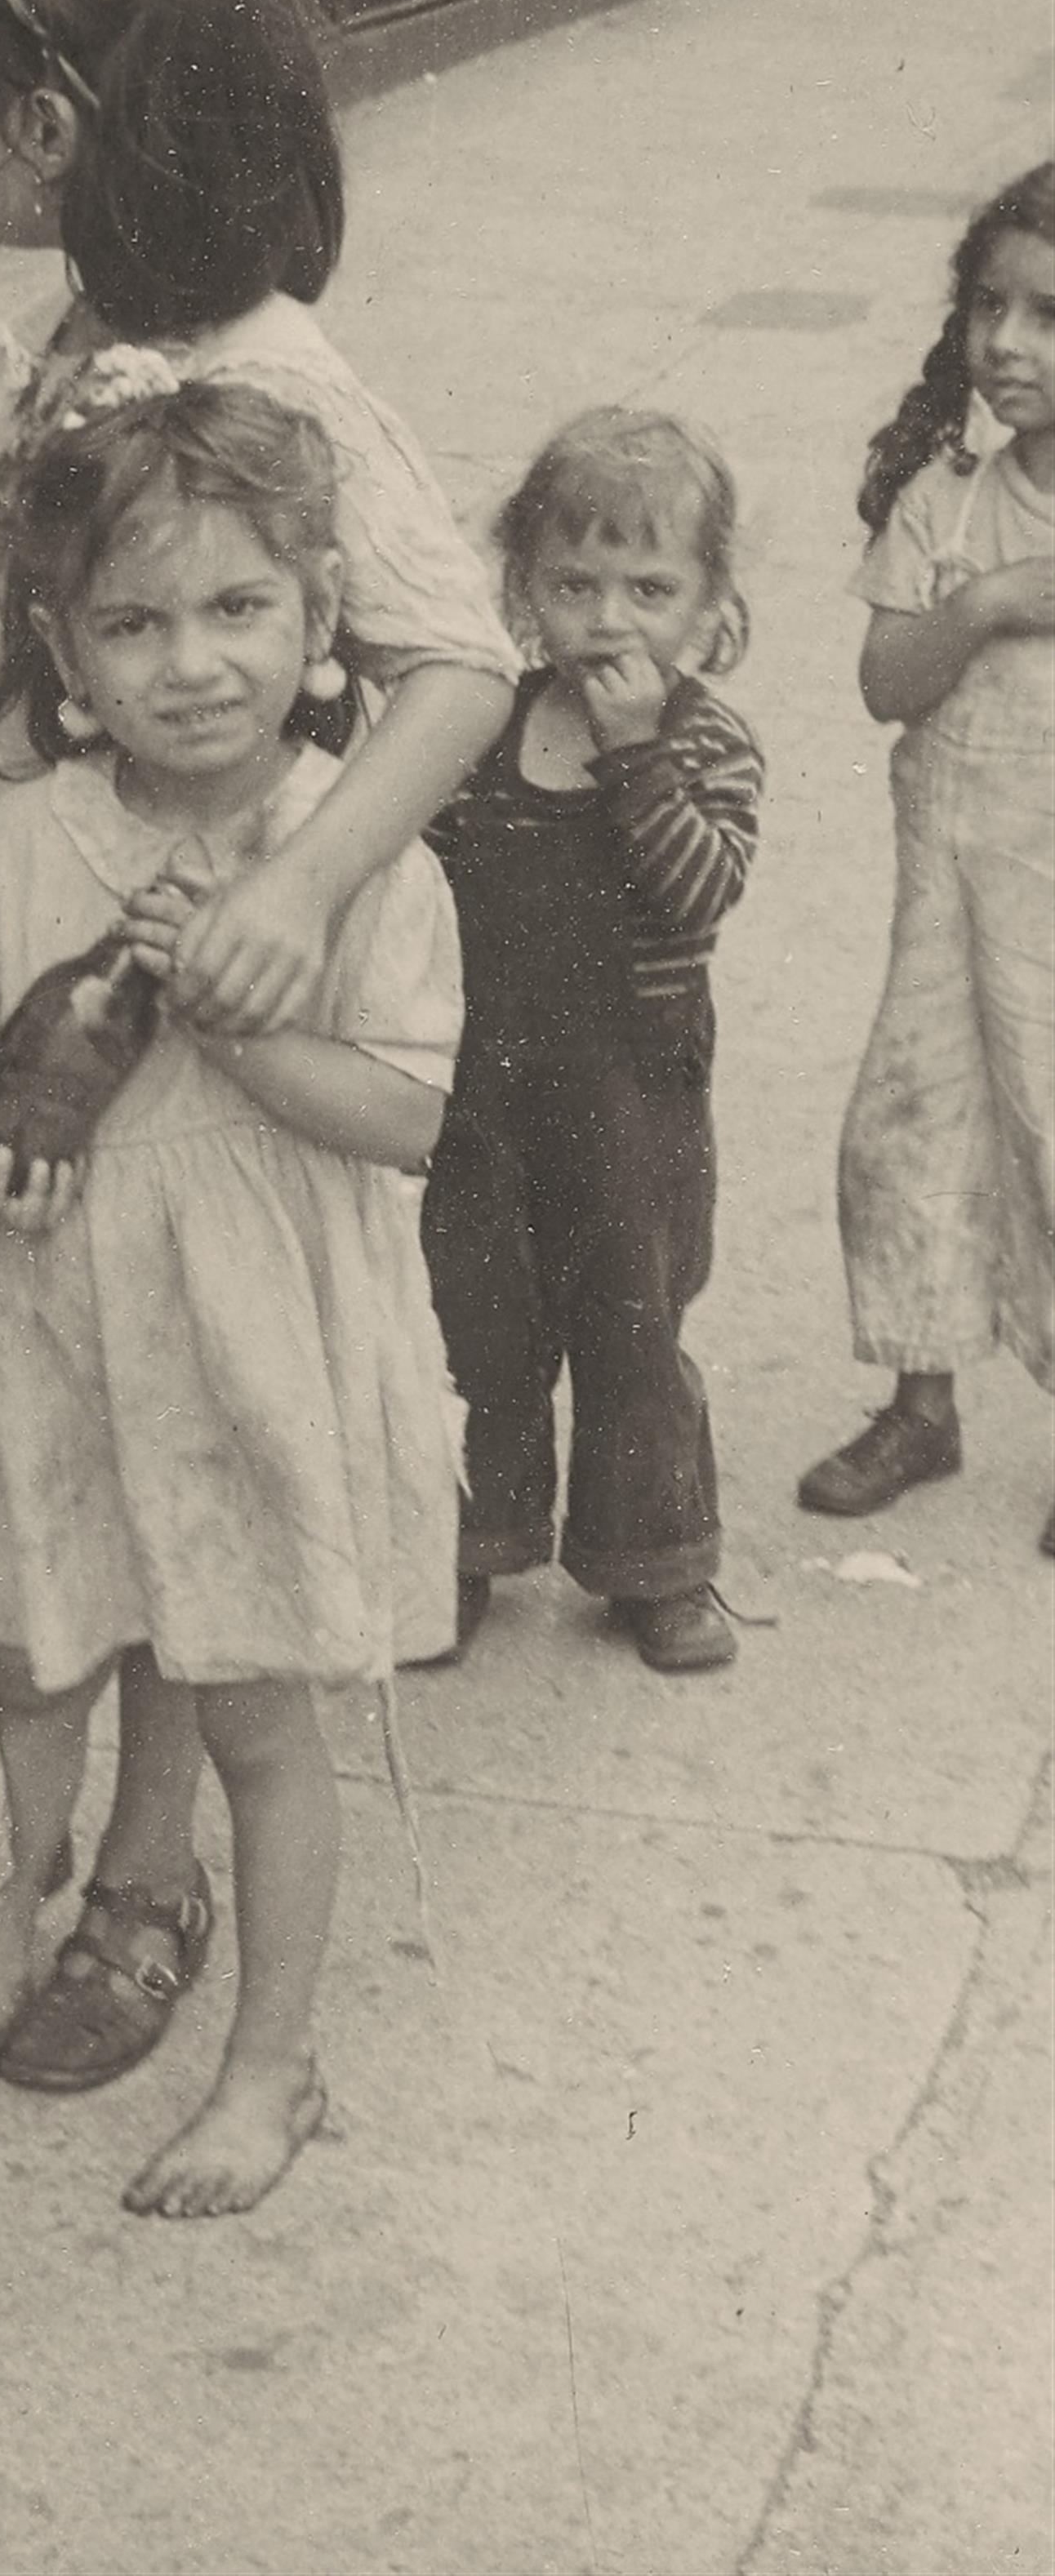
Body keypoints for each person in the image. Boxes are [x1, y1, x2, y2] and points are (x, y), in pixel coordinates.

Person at [0, 0, 516, 2099]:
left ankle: (144, 1872)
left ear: (52, 121)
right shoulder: (63, 336)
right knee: (33, 1426)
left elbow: (455, 663)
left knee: (175, 1444)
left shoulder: (268, 375)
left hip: (170, 1021)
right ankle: (12, 1821)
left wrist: (300, 885)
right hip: (13, 942)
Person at [0, 370, 463, 2216]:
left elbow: (406, 1116)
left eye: (235, 610)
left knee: (256, 1717)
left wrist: (241, 1020)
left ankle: (268, 2068)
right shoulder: (12, 839)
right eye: (129, 623)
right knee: (30, 1670)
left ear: (314, 616)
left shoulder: (355, 860)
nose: (188, 662)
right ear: (57, 645)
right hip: (56, 1338)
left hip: (258, 1351)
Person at [419, 411, 763, 1672]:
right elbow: (425, 889)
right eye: (574, 584)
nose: (609, 617)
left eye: (650, 587)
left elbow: (699, 889)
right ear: (524, 593)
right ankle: (470, 1542)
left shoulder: (707, 742)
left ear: (709, 602)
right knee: (474, 1318)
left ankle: (655, 1559)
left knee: (633, 1326)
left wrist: (634, 762)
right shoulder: (483, 732)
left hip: (635, 1097)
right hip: (486, 1087)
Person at [797, 165, 1055, 1550]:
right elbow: (888, 679)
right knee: (910, 1128)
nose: (1008, 343)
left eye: (1049, 315)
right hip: (945, 895)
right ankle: (922, 1395)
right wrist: (998, 604)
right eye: (990, 306)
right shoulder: (951, 505)